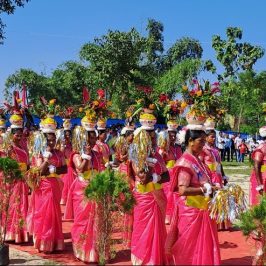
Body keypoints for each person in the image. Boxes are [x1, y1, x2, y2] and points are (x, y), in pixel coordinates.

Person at [165, 124, 221, 265]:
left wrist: (214, 187)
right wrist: (205, 189)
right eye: (200, 141)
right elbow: (183, 190)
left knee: (202, 245)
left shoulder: (198, 159)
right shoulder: (185, 161)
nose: (203, 144)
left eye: (204, 141)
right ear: (190, 141)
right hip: (190, 211)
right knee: (190, 247)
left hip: (202, 208)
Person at [130, 109, 169, 265]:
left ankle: (156, 259)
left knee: (158, 231)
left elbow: (167, 175)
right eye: (150, 139)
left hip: (158, 197)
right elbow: (143, 178)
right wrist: (151, 166)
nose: (153, 142)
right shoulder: (136, 156)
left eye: (154, 139)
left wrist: (157, 176)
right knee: (143, 231)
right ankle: (143, 260)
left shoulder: (157, 155)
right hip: (144, 198)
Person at [66, 113, 103, 263]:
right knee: (83, 221)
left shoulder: (97, 153)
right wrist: (86, 155)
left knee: (96, 221)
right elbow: (80, 169)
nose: (93, 140)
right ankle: (82, 251)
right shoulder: (76, 154)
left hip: (96, 188)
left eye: (94, 137)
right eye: (90, 137)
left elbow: (99, 169)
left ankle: (94, 252)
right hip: (82, 189)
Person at [27, 116, 67, 253]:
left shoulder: (59, 153)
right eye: (49, 140)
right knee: (44, 215)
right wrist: (47, 157)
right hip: (43, 187)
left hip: (55, 185)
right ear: (44, 139)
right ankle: (44, 243)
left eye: (53, 139)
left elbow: (65, 168)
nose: (52, 142)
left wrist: (55, 169)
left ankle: (56, 242)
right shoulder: (38, 154)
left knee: (55, 214)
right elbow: (39, 172)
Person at [4, 113, 30, 243]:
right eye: (17, 135)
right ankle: (12, 233)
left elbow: (27, 163)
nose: (19, 137)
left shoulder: (23, 146)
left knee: (22, 205)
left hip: (23, 180)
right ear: (12, 135)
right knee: (15, 205)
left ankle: (21, 233)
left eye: (21, 135)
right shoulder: (9, 148)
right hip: (14, 180)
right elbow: (6, 165)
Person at [115, 123, 135, 249]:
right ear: (126, 136)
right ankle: (122, 208)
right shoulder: (123, 145)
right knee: (124, 190)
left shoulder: (134, 145)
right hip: (124, 169)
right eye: (131, 135)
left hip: (130, 169)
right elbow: (121, 157)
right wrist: (130, 155)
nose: (133, 136)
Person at [249, 126, 266, 205]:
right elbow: (256, 166)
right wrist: (260, 184)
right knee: (260, 201)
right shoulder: (261, 148)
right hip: (262, 178)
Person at [60, 119, 74, 205]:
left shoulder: (73, 144)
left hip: (72, 165)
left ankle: (70, 199)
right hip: (65, 165)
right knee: (65, 183)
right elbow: (61, 154)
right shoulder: (62, 144)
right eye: (66, 135)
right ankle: (64, 199)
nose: (67, 137)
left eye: (69, 135)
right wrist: (63, 145)